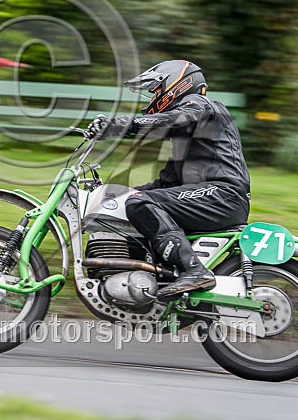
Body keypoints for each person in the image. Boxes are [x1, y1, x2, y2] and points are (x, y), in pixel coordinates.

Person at [87, 60, 251, 297]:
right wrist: (116, 194)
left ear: (177, 84)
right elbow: (166, 184)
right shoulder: (188, 137)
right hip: (210, 195)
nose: (153, 97)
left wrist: (121, 125)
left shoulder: (201, 106)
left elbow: (175, 119)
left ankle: (194, 271)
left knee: (139, 202)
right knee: (135, 202)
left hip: (223, 194)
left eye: (155, 90)